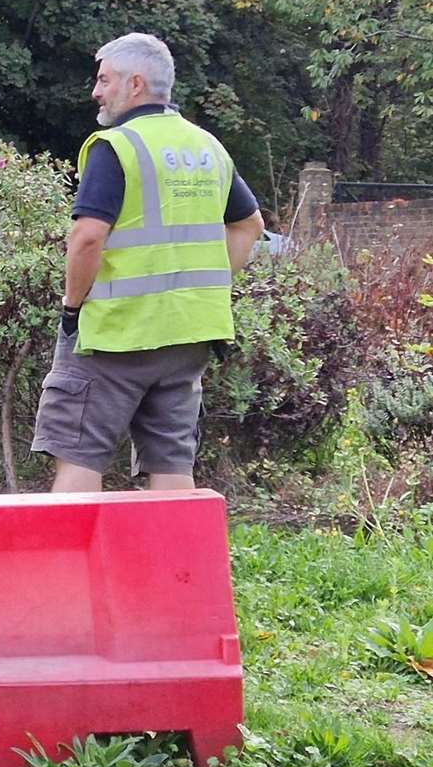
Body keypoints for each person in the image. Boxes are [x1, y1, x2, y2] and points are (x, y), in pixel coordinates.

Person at [31, 33, 265, 492]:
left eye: (104, 80)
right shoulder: (208, 147)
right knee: (172, 462)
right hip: (189, 333)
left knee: (78, 452)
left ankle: (76, 567)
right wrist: (206, 286)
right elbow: (249, 225)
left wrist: (73, 305)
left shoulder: (117, 146)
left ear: (134, 84)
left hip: (117, 334)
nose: (96, 91)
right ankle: (175, 567)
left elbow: (88, 237)